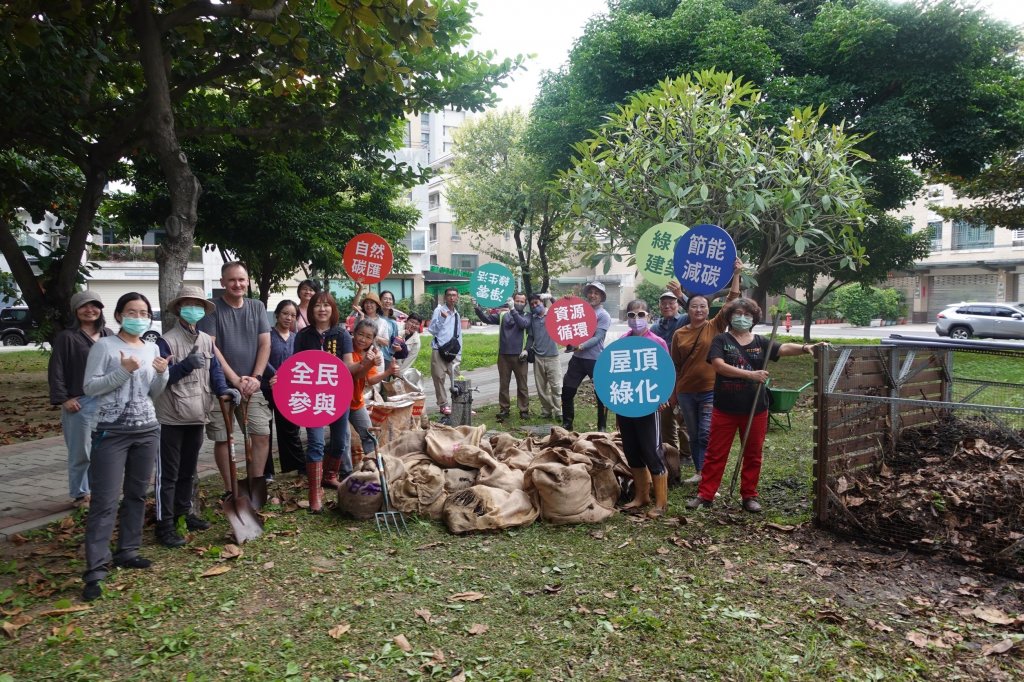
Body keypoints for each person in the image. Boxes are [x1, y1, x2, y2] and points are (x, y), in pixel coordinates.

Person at [686, 298, 824, 513]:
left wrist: (806, 347)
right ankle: (705, 495)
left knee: (753, 453)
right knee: (715, 453)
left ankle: (749, 495)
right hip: (725, 409)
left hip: (755, 408)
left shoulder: (760, 342)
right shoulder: (721, 340)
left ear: (754, 319)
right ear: (730, 317)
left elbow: (784, 348)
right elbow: (719, 366)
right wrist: (750, 374)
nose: (743, 318)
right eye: (738, 313)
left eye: (748, 315)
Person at [80, 293, 169, 602]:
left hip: (146, 430)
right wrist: (123, 371)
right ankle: (95, 569)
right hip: (111, 432)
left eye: (143, 312)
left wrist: (161, 372)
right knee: (104, 500)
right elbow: (89, 387)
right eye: (132, 311)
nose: (138, 316)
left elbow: (154, 392)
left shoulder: (152, 347)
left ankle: (128, 550)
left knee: (136, 493)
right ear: (118, 315)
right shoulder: (104, 346)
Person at [152, 286, 238, 547]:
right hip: (171, 416)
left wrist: (224, 390)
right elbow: (160, 381)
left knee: (188, 471)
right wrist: (184, 365)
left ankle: (183, 514)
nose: (194, 310)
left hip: (197, 413)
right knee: (168, 474)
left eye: (198, 305)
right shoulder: (165, 341)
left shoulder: (205, 339)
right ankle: (164, 525)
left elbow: (215, 372)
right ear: (179, 308)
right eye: (189, 304)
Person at [197, 262, 273, 501]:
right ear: (222, 282)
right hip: (220, 386)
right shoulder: (212, 310)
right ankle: (232, 490)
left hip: (253, 385)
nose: (237, 284)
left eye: (241, 279)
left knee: (261, 434)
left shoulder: (257, 307)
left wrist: (256, 378)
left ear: (248, 280)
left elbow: (265, 344)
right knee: (222, 438)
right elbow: (211, 346)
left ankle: (254, 487)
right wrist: (234, 379)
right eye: (232, 280)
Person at [670, 260, 743, 484]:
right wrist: (673, 395)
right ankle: (701, 472)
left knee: (705, 433)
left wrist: (736, 274)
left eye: (703, 306)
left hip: (710, 390)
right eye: (694, 306)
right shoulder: (679, 334)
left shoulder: (715, 326)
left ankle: (710, 475)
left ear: (707, 309)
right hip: (686, 391)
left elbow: (731, 302)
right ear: (688, 309)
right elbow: (675, 366)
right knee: (693, 434)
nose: (699, 309)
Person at [48, 290, 114, 509]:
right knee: (80, 451)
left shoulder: (108, 335)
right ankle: (80, 494)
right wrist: (63, 398)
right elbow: (55, 370)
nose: (90, 310)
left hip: (107, 402)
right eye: (84, 306)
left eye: (94, 305)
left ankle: (99, 490)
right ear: (75, 311)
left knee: (103, 450)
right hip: (80, 402)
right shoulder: (67, 337)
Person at [294, 291, 355, 512]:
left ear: (332, 309)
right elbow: (295, 367)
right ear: (311, 310)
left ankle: (330, 475)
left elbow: (348, 366)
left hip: (338, 395)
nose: (322, 309)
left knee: (339, 442)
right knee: (316, 443)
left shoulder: (342, 335)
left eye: (326, 305)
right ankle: (314, 492)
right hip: (312, 398)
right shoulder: (303, 335)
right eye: (317, 305)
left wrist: (366, 363)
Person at [617, 299, 671, 517]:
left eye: (641, 314)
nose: (636, 319)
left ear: (649, 316)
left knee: (652, 450)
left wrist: (664, 396)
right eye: (631, 315)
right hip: (626, 403)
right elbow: (615, 375)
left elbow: (666, 373)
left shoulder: (657, 342)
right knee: (631, 450)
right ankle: (641, 496)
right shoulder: (622, 341)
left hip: (649, 404)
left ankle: (661, 502)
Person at [561, 281, 612, 432]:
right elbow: (563, 322)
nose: (592, 295)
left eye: (596, 293)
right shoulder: (580, 311)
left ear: (602, 297)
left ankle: (601, 427)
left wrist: (581, 345)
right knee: (567, 390)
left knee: (601, 394)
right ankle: (567, 423)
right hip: (577, 359)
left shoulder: (603, 315)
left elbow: (598, 337)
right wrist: (566, 301)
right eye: (590, 292)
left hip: (595, 360)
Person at [474, 293, 531, 421]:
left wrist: (513, 310)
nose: (519, 304)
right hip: (504, 355)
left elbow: (522, 325)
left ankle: (524, 410)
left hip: (520, 356)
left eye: (522, 302)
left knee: (522, 384)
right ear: (512, 300)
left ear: (525, 304)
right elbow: (486, 319)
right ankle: (504, 409)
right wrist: (477, 308)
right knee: (504, 384)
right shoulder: (502, 315)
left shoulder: (527, 316)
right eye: (517, 301)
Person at [350, 319, 398, 463]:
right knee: (344, 439)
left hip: (356, 401)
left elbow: (370, 380)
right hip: (339, 403)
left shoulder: (370, 354)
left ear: (373, 340)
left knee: (369, 435)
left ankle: (374, 466)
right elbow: (355, 373)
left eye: (368, 337)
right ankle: (345, 472)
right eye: (360, 334)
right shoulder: (346, 350)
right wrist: (366, 362)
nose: (363, 339)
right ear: (354, 333)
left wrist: (388, 371)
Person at [266, 300, 305, 479]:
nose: (289, 318)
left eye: (293, 315)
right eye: (285, 314)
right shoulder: (267, 335)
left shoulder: (297, 338)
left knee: (290, 429)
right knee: (264, 430)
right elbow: (261, 358)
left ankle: (293, 467)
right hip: (266, 386)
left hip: (289, 390)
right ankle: (266, 472)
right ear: (277, 314)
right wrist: (276, 375)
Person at [651, 287, 690, 464]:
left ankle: (687, 454)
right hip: (662, 376)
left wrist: (682, 295)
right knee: (665, 414)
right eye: (663, 303)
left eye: (671, 302)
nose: (667, 306)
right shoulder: (655, 327)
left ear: (677, 305)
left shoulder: (684, 320)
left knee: (683, 415)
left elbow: (695, 308)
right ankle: (670, 451)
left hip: (682, 374)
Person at [525, 293, 561, 421]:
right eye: (532, 304)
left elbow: (559, 308)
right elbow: (531, 337)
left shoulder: (552, 315)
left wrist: (550, 297)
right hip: (538, 357)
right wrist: (526, 349)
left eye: (537, 303)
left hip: (553, 357)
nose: (535, 306)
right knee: (541, 388)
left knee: (556, 386)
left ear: (542, 302)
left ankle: (558, 412)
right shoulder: (533, 319)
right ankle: (546, 410)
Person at [428, 287, 461, 417]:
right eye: (449, 295)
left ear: (457, 297)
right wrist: (441, 319)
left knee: (457, 378)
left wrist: (460, 353)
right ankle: (443, 405)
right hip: (439, 349)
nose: (452, 298)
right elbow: (432, 330)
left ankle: (460, 404)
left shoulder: (457, 314)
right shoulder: (439, 310)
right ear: (445, 297)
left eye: (454, 295)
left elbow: (459, 335)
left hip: (452, 351)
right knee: (439, 378)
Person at [353, 290, 402, 368]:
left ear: (377, 306)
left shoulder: (383, 322)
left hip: (376, 356)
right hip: (358, 355)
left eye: (372, 303)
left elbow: (386, 342)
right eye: (366, 303)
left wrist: (371, 336)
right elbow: (354, 336)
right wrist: (361, 323)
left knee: (375, 378)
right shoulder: (359, 319)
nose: (369, 305)